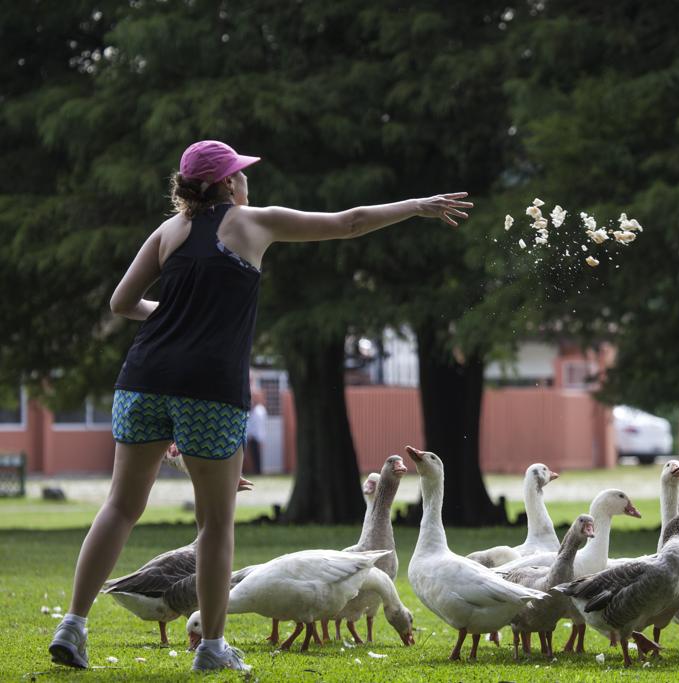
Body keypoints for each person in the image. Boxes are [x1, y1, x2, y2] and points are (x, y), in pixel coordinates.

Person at [47, 140, 472, 672]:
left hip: (143, 380)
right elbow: (350, 222)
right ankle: (211, 649)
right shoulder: (252, 223)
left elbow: (121, 303)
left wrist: (177, 314)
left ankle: (73, 625)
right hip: (209, 389)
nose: (247, 182)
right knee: (215, 523)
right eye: (241, 174)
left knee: (119, 507)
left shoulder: (168, 232)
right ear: (228, 184)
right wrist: (416, 206)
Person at [245, 398, 267, 474]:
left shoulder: (259, 411)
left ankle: (258, 471)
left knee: (257, 455)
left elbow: (259, 426)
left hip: (257, 437)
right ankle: (256, 470)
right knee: (254, 455)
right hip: (252, 437)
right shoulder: (252, 412)